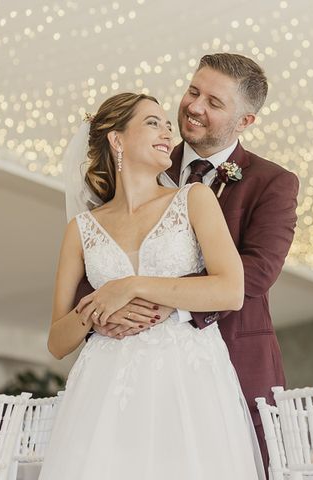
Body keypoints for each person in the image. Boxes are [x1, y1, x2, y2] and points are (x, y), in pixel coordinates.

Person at [72, 53, 300, 470]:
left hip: (229, 360)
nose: (194, 106)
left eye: (214, 102)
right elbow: (101, 249)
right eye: (193, 91)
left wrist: (161, 299)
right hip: (133, 371)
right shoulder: (142, 161)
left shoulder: (271, 183)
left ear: (245, 121)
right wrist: (102, 311)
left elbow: (257, 271)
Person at [41, 92, 265, 479]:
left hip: (186, 378)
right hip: (104, 388)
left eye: (166, 124)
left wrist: (129, 286)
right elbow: (57, 341)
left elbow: (230, 289)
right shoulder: (80, 230)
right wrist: (96, 315)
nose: (167, 132)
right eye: (152, 123)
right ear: (117, 140)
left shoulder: (194, 199)